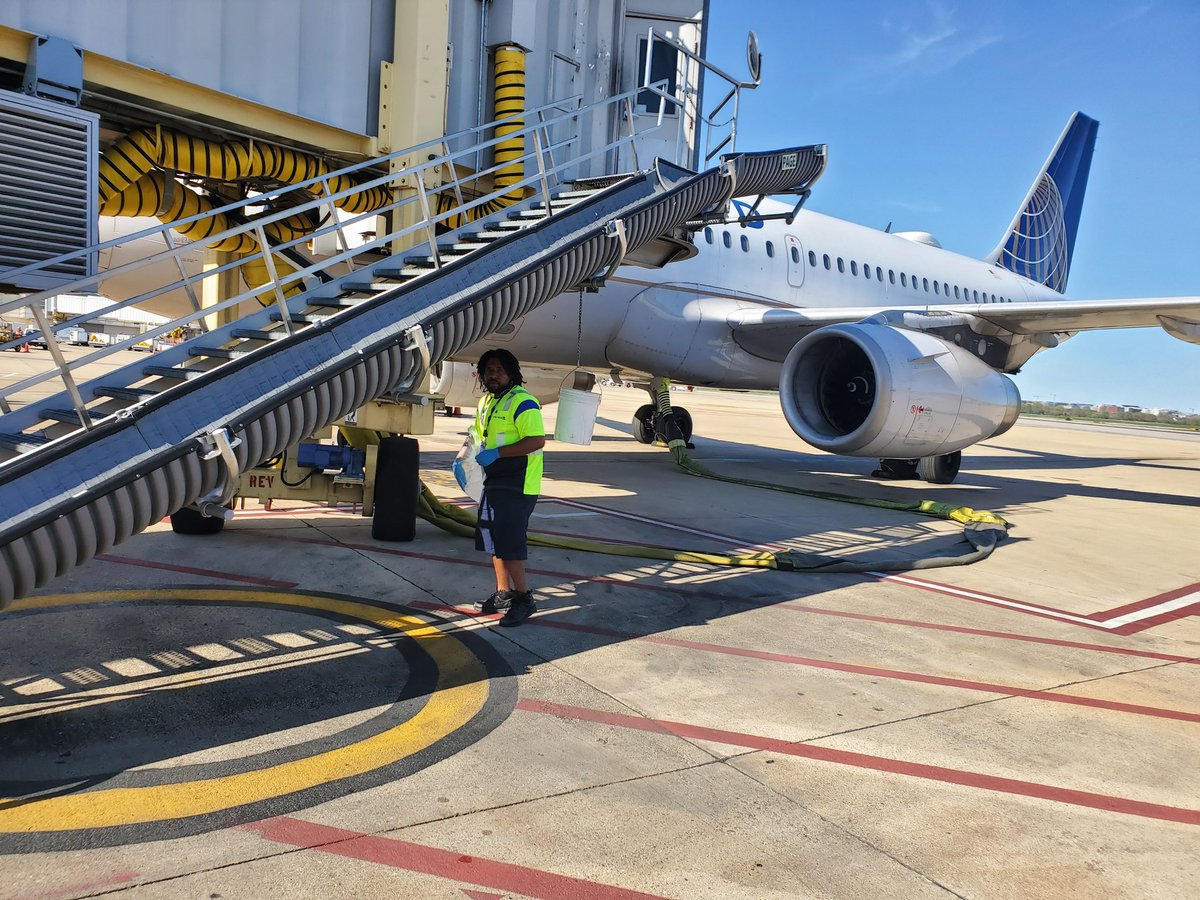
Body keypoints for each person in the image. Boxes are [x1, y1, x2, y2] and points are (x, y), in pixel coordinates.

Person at [454, 348, 545, 627]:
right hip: (493, 480)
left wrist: (498, 453)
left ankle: (523, 598)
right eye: (489, 370)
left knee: (511, 543)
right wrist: (463, 454)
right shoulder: (486, 402)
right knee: (494, 541)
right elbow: (477, 433)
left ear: (511, 373)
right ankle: (503, 592)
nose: (493, 375)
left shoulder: (524, 402)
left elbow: (536, 441)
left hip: (519, 482)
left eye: (499, 370)